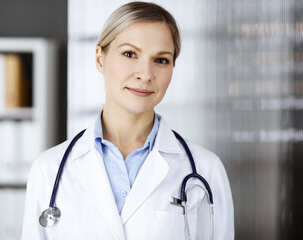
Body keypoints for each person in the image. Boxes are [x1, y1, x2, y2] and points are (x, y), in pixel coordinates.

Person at [21, 2, 234, 239]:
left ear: (173, 67)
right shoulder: (48, 169)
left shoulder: (206, 172)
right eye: (130, 54)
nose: (145, 74)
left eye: (161, 60)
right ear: (100, 59)